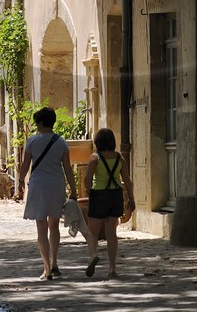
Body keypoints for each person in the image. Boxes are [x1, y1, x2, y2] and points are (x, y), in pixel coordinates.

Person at [15, 107, 79, 281]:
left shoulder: (32, 141)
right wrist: (73, 189)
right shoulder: (61, 142)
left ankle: (46, 268)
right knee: (54, 225)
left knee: (41, 227)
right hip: (56, 184)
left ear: (41, 122)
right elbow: (67, 168)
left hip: (38, 185)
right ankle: (55, 263)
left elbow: (25, 164)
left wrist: (20, 181)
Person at [83, 127, 134, 280]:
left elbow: (87, 179)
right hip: (116, 195)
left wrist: (87, 190)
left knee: (93, 231)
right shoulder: (120, 158)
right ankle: (112, 267)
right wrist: (131, 199)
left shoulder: (95, 158)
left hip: (99, 194)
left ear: (97, 142)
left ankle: (93, 255)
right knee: (112, 233)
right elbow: (127, 181)